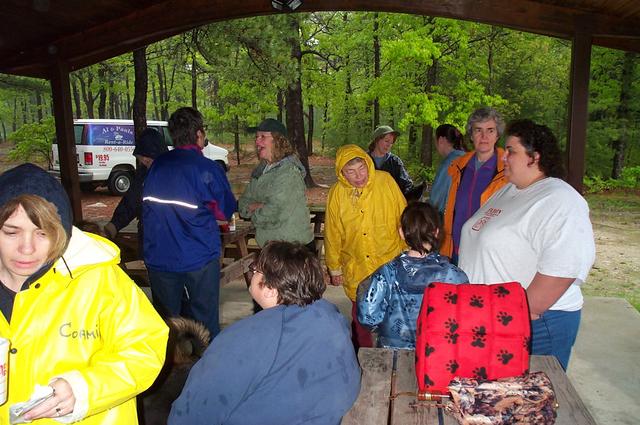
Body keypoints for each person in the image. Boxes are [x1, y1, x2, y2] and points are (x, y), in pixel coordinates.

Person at [0, 163, 168, 424]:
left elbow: (147, 347)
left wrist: (84, 389)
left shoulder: (99, 279)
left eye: (42, 233)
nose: (27, 248)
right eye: (11, 232)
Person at [168, 241, 361, 425]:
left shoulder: (246, 338)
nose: (252, 273)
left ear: (270, 289)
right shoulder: (331, 318)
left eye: (255, 270)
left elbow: (191, 413)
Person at [458, 119, 596, 370]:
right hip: (491, 318)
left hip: (534, 325)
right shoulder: (508, 190)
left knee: (530, 393)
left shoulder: (560, 199)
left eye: (511, 151)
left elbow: (562, 269)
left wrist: (519, 314)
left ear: (534, 156)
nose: (503, 156)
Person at [142, 107, 236, 338]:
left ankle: (171, 360)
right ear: (199, 134)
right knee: (205, 325)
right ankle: (206, 359)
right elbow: (224, 211)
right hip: (198, 257)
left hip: (159, 258)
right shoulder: (207, 169)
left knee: (167, 328)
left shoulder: (157, 167)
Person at [325, 144, 406, 350]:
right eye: (351, 172)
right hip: (357, 268)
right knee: (361, 320)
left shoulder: (385, 181)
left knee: (393, 318)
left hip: (389, 263)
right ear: (342, 173)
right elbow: (333, 233)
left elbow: (404, 218)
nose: (358, 176)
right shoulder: (337, 193)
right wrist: (334, 268)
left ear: (368, 164)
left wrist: (409, 251)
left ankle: (393, 356)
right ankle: (363, 357)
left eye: (361, 168)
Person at [357, 202, 468, 349]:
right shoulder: (454, 275)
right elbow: (466, 317)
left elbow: (367, 316)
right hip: (436, 353)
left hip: (394, 355)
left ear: (401, 233)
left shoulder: (387, 273)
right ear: (436, 232)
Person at [441, 107, 508, 264]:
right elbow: (451, 210)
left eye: (490, 130)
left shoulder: (507, 170)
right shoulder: (458, 167)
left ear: (497, 135)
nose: (484, 136)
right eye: (478, 130)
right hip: (456, 249)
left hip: (489, 254)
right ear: (471, 135)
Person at [238, 118, 313, 251]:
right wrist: (259, 206)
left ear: (278, 141)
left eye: (263, 137)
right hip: (270, 247)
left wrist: (254, 210)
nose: (257, 142)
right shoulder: (261, 170)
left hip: (293, 249)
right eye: (256, 137)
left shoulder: (289, 172)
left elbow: (275, 213)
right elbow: (243, 203)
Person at [103, 128, 168, 254]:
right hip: (147, 237)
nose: (145, 162)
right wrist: (114, 225)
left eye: (148, 159)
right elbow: (131, 201)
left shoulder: (175, 174)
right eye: (142, 159)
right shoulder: (143, 174)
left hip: (171, 239)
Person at [420, 124, 466, 214]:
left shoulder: (449, 164)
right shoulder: (468, 158)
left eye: (435, 141)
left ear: (441, 140)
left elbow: (436, 201)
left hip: (452, 217)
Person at [368, 125, 421, 200]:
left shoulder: (395, 161)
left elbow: (406, 184)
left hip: (390, 203)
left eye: (391, 142)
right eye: (386, 141)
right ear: (376, 140)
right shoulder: (364, 160)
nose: (389, 145)